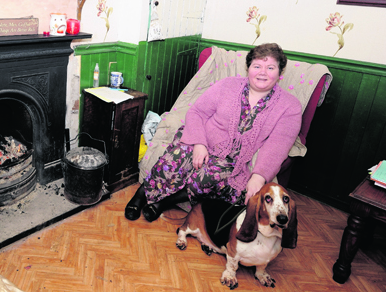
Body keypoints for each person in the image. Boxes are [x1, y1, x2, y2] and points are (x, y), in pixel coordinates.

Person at [125, 43, 302, 222]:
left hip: (235, 159)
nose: (262, 72)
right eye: (257, 66)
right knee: (174, 160)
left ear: (280, 73)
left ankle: (163, 203)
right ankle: (140, 196)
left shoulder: (290, 106)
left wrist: (259, 176)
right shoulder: (227, 85)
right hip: (203, 139)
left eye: (270, 67)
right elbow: (197, 112)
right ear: (248, 68)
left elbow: (278, 145)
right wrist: (199, 144)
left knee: (207, 180)